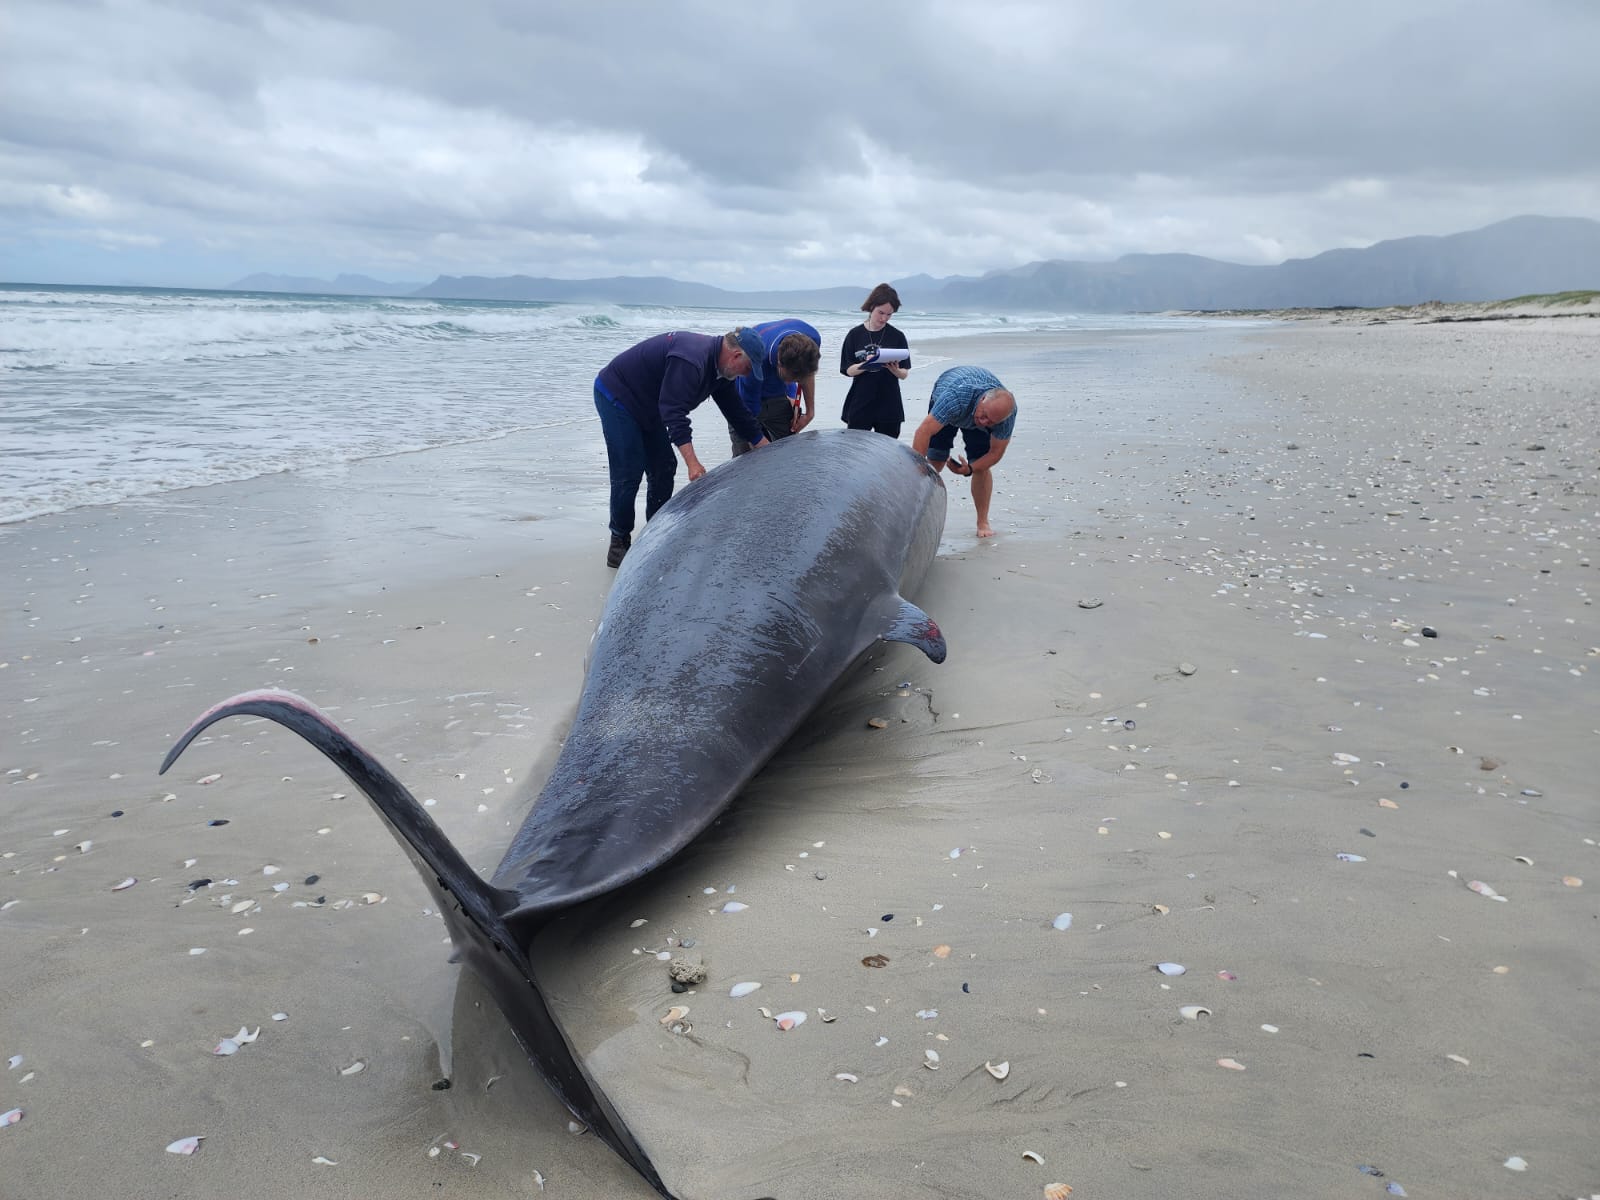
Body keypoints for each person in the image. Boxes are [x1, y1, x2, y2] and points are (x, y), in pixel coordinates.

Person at [594, 327, 769, 567]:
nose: (745, 375)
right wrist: (693, 463)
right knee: (629, 471)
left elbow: (736, 413)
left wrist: (763, 445)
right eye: (748, 369)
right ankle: (619, 542)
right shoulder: (692, 361)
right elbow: (673, 412)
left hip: (649, 406)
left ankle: (655, 533)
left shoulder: (721, 373)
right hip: (618, 397)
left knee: (664, 466)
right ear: (736, 356)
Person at [910, 365, 1018, 539]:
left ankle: (983, 522)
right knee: (936, 460)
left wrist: (970, 469)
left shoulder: (1004, 416)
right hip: (950, 395)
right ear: (982, 399)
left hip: (973, 405)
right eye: (984, 415)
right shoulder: (955, 397)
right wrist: (918, 468)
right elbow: (924, 431)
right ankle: (914, 508)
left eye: (990, 421)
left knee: (981, 465)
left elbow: (995, 453)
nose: (983, 422)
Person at [727, 318, 823, 456]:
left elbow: (807, 373)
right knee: (745, 458)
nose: (791, 383)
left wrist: (809, 412)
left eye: (796, 380)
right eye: (790, 379)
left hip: (776, 396)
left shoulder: (812, 338)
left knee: (787, 451)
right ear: (778, 363)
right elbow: (748, 412)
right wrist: (756, 443)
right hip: (742, 397)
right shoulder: (754, 360)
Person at [839, 282, 911, 438]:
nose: (884, 318)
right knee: (855, 448)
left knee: (888, 451)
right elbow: (848, 370)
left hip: (889, 403)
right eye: (881, 312)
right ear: (871, 307)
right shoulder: (854, 335)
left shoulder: (897, 336)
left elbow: (905, 373)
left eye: (889, 314)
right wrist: (866, 364)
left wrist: (895, 370)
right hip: (861, 401)